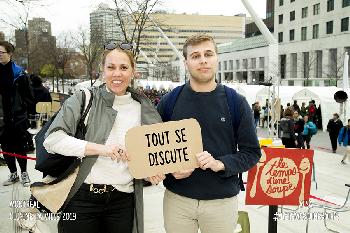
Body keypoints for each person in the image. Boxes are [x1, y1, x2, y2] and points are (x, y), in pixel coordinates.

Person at [43, 42, 164, 233]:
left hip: (123, 201)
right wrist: (103, 149)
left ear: (133, 71)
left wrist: (151, 171)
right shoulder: (84, 98)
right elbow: (52, 140)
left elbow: (148, 156)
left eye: (124, 67)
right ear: (102, 70)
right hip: (82, 198)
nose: (117, 74)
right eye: (111, 67)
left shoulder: (143, 108)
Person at [157, 34, 261, 233]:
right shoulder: (169, 101)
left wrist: (220, 163)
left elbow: (252, 152)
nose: (203, 60)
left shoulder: (235, 102)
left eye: (208, 54)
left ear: (217, 58)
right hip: (177, 200)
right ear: (186, 62)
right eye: (195, 56)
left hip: (221, 202)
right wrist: (170, 169)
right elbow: (153, 151)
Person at [0, 41, 34, 187]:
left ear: (10, 54)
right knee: (5, 147)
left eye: (1, 52)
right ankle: (13, 173)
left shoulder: (19, 73)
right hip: (1, 119)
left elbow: (29, 97)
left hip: (17, 118)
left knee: (20, 147)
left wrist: (22, 110)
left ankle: (24, 173)